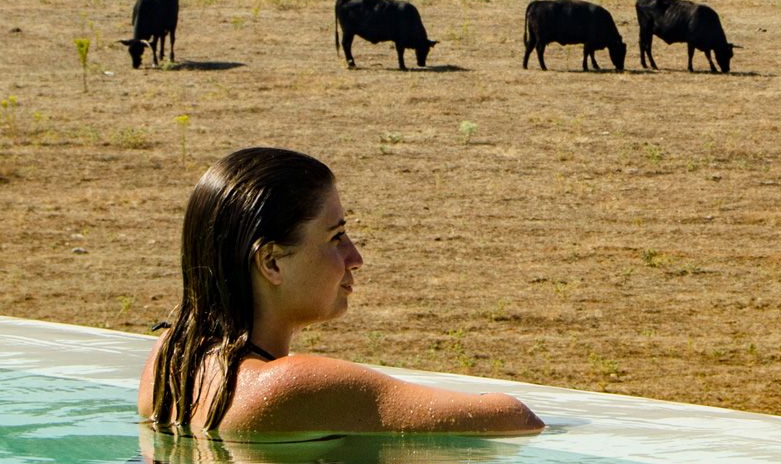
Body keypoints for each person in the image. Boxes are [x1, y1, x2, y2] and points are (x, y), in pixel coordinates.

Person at [138, 145, 542, 438]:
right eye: (336, 237)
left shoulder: (169, 361)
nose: (355, 258)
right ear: (271, 263)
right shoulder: (290, 388)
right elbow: (514, 419)